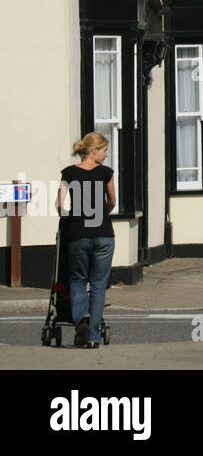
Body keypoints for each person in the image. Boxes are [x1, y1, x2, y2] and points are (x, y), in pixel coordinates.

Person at [59, 132, 115, 349]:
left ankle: (81, 317)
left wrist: (68, 218)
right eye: (104, 150)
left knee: (77, 279)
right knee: (99, 284)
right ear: (94, 151)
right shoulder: (106, 173)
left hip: (78, 234)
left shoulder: (68, 173)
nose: (106, 155)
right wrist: (103, 213)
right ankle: (93, 336)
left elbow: (59, 204)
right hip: (102, 234)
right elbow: (112, 201)